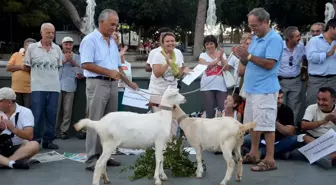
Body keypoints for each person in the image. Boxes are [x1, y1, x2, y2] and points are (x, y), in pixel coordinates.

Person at [79, 9, 137, 171]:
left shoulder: (112, 41)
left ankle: (106, 156)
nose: (114, 27)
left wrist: (128, 82)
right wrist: (108, 72)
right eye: (112, 24)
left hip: (113, 85)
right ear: (101, 22)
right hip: (97, 84)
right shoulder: (90, 40)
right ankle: (91, 158)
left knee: (111, 123)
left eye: (116, 25)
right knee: (95, 122)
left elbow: (117, 66)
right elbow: (86, 64)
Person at [233, 8, 283, 171]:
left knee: (267, 125)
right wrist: (241, 55)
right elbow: (249, 61)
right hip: (252, 89)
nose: (252, 29)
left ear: (265, 22)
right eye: (250, 26)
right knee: (253, 123)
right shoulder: (256, 38)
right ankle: (254, 153)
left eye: (255, 26)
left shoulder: (274, 39)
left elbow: (269, 64)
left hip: (265, 89)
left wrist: (247, 56)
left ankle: (270, 159)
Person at [24, 23, 63, 149]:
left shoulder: (57, 48)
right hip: (38, 87)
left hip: (54, 87)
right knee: (37, 114)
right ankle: (35, 140)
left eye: (53, 32)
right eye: (48, 32)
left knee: (52, 115)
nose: (51, 35)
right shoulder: (32, 48)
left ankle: (48, 140)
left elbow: (59, 67)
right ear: (41, 33)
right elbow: (26, 67)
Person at [242, 90, 298, 159]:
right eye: (278, 98)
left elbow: (289, 132)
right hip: (261, 139)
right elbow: (251, 131)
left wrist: (272, 121)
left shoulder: (287, 110)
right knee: (243, 139)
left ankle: (260, 152)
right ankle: (278, 152)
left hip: (280, 140)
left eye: (282, 98)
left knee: (296, 139)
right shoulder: (260, 109)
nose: (281, 101)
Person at [0, 87, 39, 169]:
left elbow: (29, 136)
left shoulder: (25, 112)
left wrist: (13, 129)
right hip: (1, 146)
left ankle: (6, 162)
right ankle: (12, 163)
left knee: (34, 145)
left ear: (9, 102)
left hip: (17, 148)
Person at [299, 87, 336, 169]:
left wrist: (334, 121)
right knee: (304, 137)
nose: (320, 102)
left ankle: (327, 157)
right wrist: (324, 121)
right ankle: (325, 156)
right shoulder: (312, 107)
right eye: (318, 99)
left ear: (333, 100)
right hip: (313, 138)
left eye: (324, 100)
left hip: (331, 141)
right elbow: (304, 126)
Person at [305, 18, 336, 108]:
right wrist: (328, 54)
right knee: (312, 106)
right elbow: (310, 57)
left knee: (332, 106)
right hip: (316, 80)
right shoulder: (315, 41)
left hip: (333, 80)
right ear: (331, 28)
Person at [278, 26, 306, 126]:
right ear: (289, 38)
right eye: (297, 36)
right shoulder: (279, 46)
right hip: (281, 81)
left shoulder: (301, 46)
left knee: (294, 107)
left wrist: (304, 72)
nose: (300, 38)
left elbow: (305, 59)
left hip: (296, 81)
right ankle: (280, 130)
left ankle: (291, 129)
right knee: (281, 107)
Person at [57, 36, 83, 139]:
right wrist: (64, 60)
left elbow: (82, 72)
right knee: (56, 110)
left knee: (67, 110)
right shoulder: (57, 55)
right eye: (66, 44)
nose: (68, 46)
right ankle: (54, 131)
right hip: (56, 85)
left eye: (70, 44)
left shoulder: (77, 57)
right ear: (62, 45)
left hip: (70, 85)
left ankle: (64, 131)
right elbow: (53, 66)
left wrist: (72, 61)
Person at [199, 35, 228, 118]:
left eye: (211, 44)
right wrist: (217, 60)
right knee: (209, 111)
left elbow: (226, 68)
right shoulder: (202, 55)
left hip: (221, 86)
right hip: (206, 87)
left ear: (215, 44)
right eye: (207, 44)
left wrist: (221, 57)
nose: (209, 46)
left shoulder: (221, 54)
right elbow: (204, 66)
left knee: (224, 109)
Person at [6, 38, 36, 108]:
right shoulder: (16, 55)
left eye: (32, 47)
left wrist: (29, 69)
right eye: (28, 46)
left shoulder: (36, 57)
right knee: (16, 110)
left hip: (30, 90)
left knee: (27, 111)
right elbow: (8, 68)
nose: (30, 48)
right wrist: (21, 67)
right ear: (24, 46)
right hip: (16, 89)